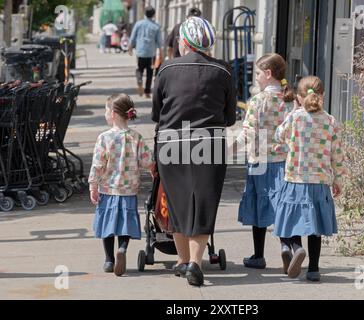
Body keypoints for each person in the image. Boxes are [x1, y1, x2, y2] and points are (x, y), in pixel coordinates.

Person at [152, 16, 236, 286]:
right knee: (203, 203)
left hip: (171, 143)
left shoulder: (166, 70)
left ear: (185, 42)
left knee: (177, 204)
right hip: (209, 142)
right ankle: (195, 264)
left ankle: (182, 260)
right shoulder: (223, 71)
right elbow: (231, 116)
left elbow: (157, 112)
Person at [274, 76, 345, 281]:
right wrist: (338, 180)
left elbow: (279, 135)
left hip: (295, 179)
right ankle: (313, 269)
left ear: (299, 96)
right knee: (316, 228)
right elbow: (337, 155)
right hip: (320, 182)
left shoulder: (295, 117)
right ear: (322, 95)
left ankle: (295, 248)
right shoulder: (331, 121)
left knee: (292, 219)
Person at [233, 53, 295, 270]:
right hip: (284, 162)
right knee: (283, 207)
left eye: (258, 73)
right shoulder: (290, 101)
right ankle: (287, 247)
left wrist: (229, 149)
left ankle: (258, 256)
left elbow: (248, 133)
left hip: (259, 161)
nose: (256, 78)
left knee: (259, 208)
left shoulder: (258, 101)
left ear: (268, 74)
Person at [89, 94, 155, 277]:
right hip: (129, 190)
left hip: (108, 189)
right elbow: (148, 160)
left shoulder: (104, 138)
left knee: (107, 226)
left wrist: (92, 185)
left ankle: (109, 260)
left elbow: (97, 164)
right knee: (125, 224)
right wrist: (152, 170)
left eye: (105, 110)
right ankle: (123, 249)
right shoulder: (136, 137)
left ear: (113, 114)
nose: (105, 113)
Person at [129, 5, 163, 98]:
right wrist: (161, 54)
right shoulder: (156, 26)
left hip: (140, 52)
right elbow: (160, 42)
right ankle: (147, 92)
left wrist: (130, 47)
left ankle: (139, 80)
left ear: (145, 13)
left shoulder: (138, 24)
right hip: (151, 53)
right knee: (150, 72)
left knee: (139, 69)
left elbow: (132, 37)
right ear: (153, 14)